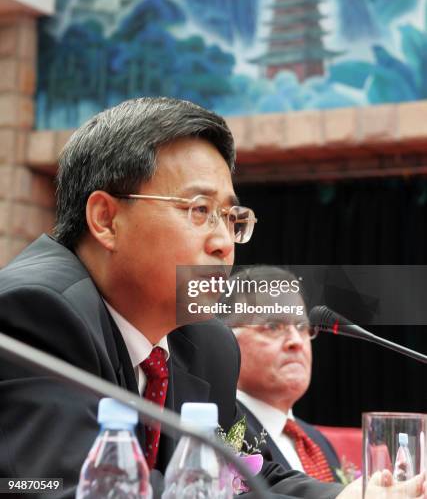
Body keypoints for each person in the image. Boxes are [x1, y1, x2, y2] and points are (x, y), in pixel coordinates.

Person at [0, 98, 424, 499]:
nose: (224, 243)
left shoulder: (205, 343)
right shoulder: (37, 312)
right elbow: (67, 487)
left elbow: (245, 475)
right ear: (106, 220)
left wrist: (351, 495)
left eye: (231, 218)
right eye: (199, 210)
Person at [231, 266, 341, 481]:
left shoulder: (317, 441)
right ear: (227, 340)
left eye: (302, 326)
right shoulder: (223, 431)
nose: (296, 341)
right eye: (273, 326)